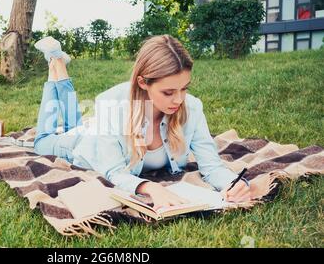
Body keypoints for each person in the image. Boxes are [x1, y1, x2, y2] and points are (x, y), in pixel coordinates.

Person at [33, 35, 253, 210]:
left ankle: (58, 65)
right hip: (83, 145)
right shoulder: (110, 102)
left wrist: (234, 184)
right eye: (168, 92)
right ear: (143, 82)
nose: (179, 99)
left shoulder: (193, 107)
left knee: (75, 124)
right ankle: (57, 63)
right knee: (43, 141)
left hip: (99, 130)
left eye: (184, 88)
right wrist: (151, 188)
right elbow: (113, 173)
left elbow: (212, 166)